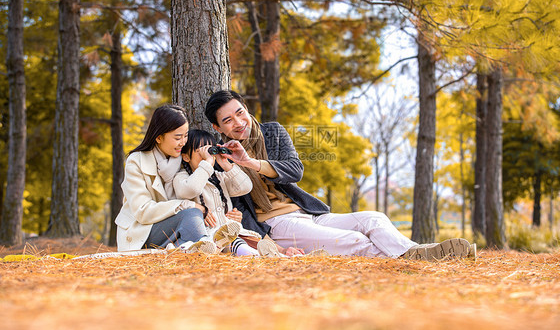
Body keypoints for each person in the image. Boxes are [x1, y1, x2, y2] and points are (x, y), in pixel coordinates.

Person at [204, 90, 476, 260]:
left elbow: (295, 170)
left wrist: (252, 162)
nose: (239, 123)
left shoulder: (273, 132)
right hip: (277, 225)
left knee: (373, 218)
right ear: (219, 128)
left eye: (240, 113)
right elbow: (236, 209)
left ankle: (418, 253)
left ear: (247, 109)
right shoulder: (220, 160)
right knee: (354, 241)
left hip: (308, 213)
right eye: (228, 120)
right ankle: (426, 255)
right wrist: (269, 245)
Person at [168, 129, 302, 257]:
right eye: (200, 152)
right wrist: (208, 163)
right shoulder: (182, 178)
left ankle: (276, 253)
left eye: (210, 151)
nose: (207, 156)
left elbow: (245, 186)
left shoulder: (219, 177)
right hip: (208, 235)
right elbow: (193, 189)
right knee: (233, 243)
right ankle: (253, 255)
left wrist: (225, 163)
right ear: (186, 157)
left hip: (231, 234)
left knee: (252, 240)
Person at [115, 104, 216, 254]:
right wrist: (186, 205)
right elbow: (143, 211)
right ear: (159, 137)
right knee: (191, 213)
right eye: (177, 137)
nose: (183, 142)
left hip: (173, 230)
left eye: (186, 135)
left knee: (192, 227)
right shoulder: (136, 161)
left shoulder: (183, 158)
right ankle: (207, 247)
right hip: (142, 232)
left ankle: (197, 247)